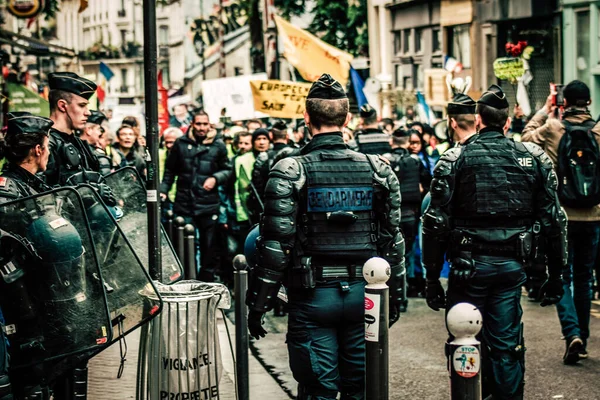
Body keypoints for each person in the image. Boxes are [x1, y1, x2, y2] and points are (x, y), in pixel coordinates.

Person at [245, 74, 405, 399]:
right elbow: (393, 241)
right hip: (366, 294)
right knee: (360, 389)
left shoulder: (290, 170)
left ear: (306, 118)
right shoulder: (379, 170)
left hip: (313, 296)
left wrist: (259, 304)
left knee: (319, 390)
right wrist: (396, 295)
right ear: (348, 119)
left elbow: (275, 245)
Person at [422, 85, 567, 400]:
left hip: (466, 268)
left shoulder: (454, 158)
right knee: (505, 347)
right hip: (512, 267)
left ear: (477, 120)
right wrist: (556, 275)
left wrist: (432, 278)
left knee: (465, 341)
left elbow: (434, 224)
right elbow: (555, 221)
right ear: (506, 122)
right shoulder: (534, 157)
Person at [522, 80, 600, 362]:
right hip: (593, 215)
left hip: (562, 215)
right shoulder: (598, 131)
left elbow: (525, 138)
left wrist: (544, 110)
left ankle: (572, 333)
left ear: (563, 103)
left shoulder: (554, 128)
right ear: (589, 102)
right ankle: (584, 337)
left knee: (562, 276)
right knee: (584, 277)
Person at [0, 113, 53, 399]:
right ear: (37, 149)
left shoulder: (34, 183)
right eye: (48, 144)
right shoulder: (7, 188)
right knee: (30, 377)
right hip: (21, 301)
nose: (50, 151)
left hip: (42, 295)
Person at [160, 111, 232, 282]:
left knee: (209, 246)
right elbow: (170, 170)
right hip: (185, 202)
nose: (201, 128)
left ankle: (206, 281)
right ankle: (186, 279)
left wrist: (216, 178)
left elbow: (228, 170)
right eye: (198, 124)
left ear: (209, 125)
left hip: (208, 203)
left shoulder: (218, 145)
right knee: (185, 244)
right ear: (192, 124)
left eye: (204, 124)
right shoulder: (180, 144)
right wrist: (163, 189)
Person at [384, 129, 431, 305]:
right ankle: (403, 294)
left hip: (390, 215)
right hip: (410, 215)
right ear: (406, 143)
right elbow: (428, 182)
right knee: (407, 255)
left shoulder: (384, 160)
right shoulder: (414, 162)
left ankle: (392, 295)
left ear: (392, 141)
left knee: (390, 254)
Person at [45, 72, 100, 186]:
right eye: (81, 105)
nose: (88, 112)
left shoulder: (78, 143)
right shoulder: (45, 143)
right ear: (62, 105)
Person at [80, 110, 111, 175]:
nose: (100, 133)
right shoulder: (97, 155)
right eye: (98, 129)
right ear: (89, 130)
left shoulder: (72, 148)